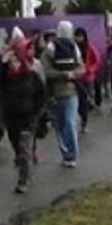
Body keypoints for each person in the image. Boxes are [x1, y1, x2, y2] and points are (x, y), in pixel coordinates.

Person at [0, 41, 44, 194]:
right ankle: (26, 170)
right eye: (11, 62)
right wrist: (3, 60)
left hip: (28, 120)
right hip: (11, 120)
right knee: (18, 150)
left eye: (16, 61)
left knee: (24, 150)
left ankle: (23, 180)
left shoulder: (32, 77)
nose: (13, 65)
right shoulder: (5, 79)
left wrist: (36, 114)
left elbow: (41, 96)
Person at [44, 21, 85, 168]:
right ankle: (65, 154)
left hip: (71, 92)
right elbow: (46, 71)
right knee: (59, 126)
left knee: (69, 123)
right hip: (54, 93)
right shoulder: (50, 49)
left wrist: (73, 74)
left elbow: (82, 68)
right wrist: (64, 74)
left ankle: (71, 155)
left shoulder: (74, 48)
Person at [74, 27, 100, 134]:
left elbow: (97, 61)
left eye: (80, 36)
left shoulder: (90, 47)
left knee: (84, 101)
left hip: (87, 78)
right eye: (77, 36)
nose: (78, 38)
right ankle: (81, 119)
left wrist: (90, 69)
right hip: (77, 78)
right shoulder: (73, 47)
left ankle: (84, 123)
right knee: (78, 102)